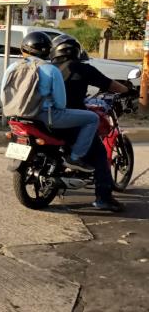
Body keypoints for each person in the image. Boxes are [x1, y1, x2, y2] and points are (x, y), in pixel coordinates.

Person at [51, 34, 130, 212]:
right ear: (76, 51)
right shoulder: (83, 69)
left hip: (45, 119)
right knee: (100, 154)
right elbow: (110, 84)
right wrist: (128, 89)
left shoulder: (48, 68)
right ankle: (104, 198)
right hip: (71, 120)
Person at [2, 31, 98, 172]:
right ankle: (75, 157)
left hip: (16, 117)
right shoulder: (51, 70)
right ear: (48, 51)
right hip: (45, 116)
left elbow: (4, 94)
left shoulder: (12, 68)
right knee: (92, 118)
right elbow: (61, 103)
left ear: (23, 49)